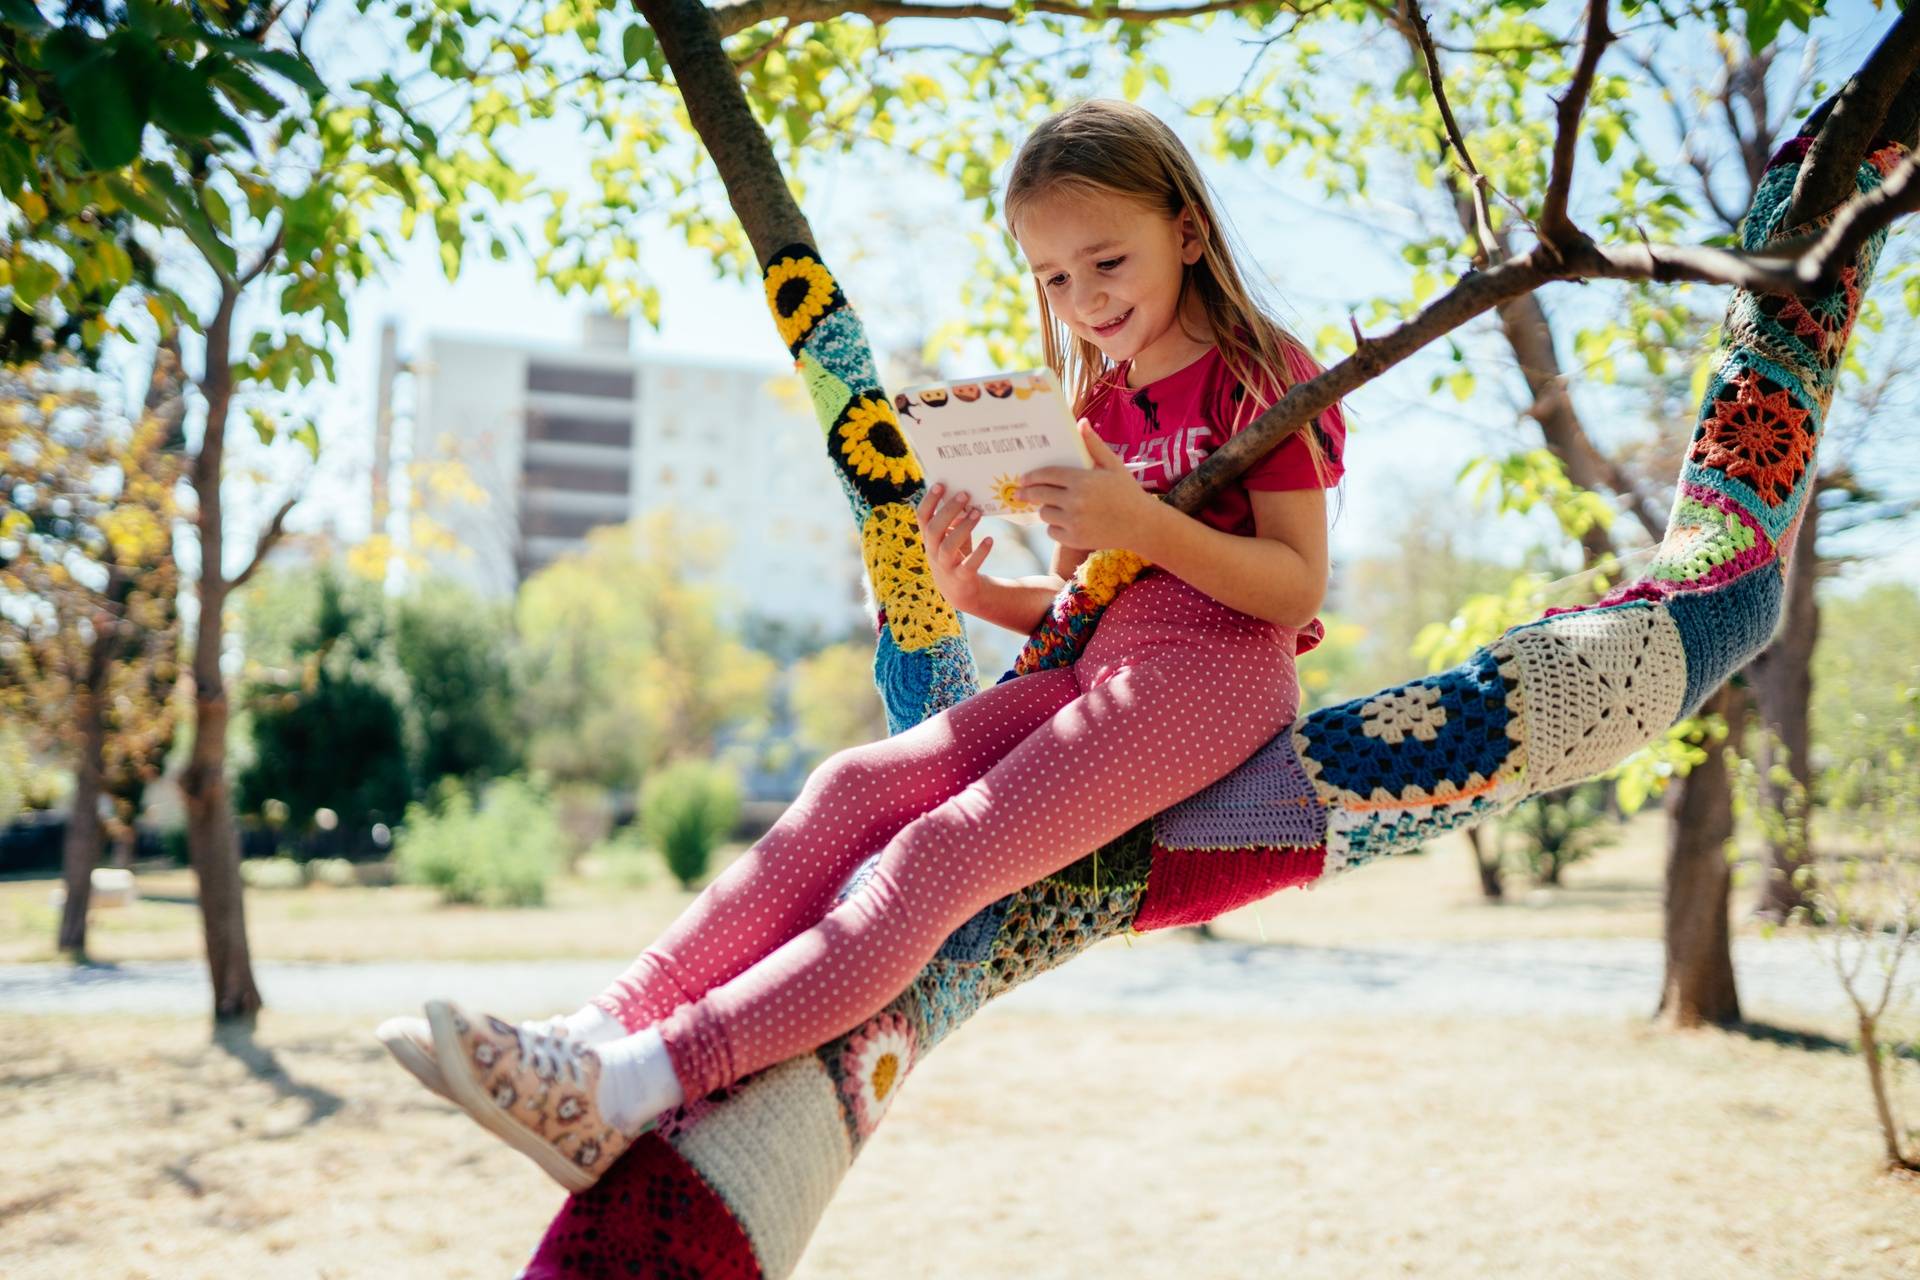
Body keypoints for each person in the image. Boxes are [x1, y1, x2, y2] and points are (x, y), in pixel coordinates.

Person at [376, 97, 1348, 1193]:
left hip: (1218, 675)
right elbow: (1101, 601)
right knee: (848, 786)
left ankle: (637, 1085)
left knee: (935, 857)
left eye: (1106, 260)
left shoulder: (1264, 367)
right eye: (1053, 279)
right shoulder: (1100, 409)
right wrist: (979, 589)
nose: (1083, 299)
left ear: (1188, 230)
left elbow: (1292, 586)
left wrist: (1140, 524)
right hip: (1105, 665)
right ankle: (589, 1035)